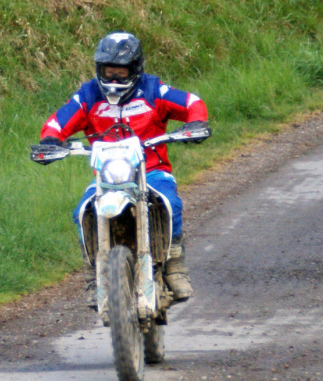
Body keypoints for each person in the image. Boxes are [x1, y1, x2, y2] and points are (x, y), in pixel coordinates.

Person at [37, 32, 209, 307]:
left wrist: (196, 123)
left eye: (121, 72)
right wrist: (50, 140)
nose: (114, 78)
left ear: (135, 68)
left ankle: (174, 265)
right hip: (106, 177)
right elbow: (57, 122)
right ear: (99, 69)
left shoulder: (153, 90)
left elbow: (192, 103)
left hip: (152, 171)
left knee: (171, 203)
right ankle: (93, 274)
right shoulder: (88, 95)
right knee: (82, 211)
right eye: (109, 71)